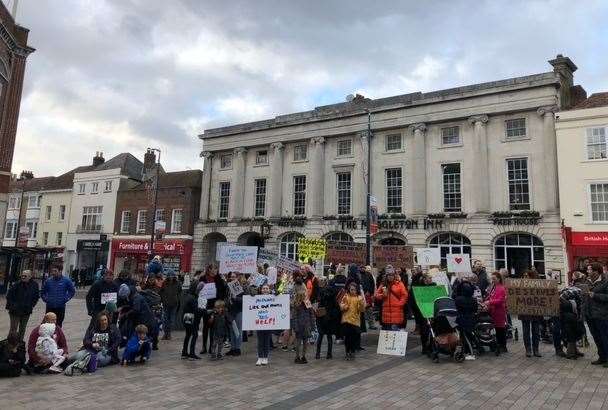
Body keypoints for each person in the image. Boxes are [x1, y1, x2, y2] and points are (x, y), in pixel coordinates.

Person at [585, 263, 608, 366]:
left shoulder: (605, 281)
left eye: (589, 270)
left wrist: (595, 295)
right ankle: (602, 357)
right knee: (596, 337)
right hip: (589, 314)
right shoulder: (587, 281)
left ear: (596, 271)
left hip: (602, 315)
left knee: (605, 337)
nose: (587, 272)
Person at [5, 270, 39, 341]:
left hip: (26, 311)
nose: (23, 277)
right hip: (15, 311)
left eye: (25, 276)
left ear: (30, 277)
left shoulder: (34, 285)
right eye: (22, 276)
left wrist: (31, 305)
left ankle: (20, 344)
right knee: (13, 329)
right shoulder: (16, 284)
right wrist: (13, 306)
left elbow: (36, 296)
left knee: (22, 328)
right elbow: (9, 296)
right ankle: (10, 344)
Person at [374, 266, 408, 331]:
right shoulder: (383, 284)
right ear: (386, 276)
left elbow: (404, 295)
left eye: (392, 275)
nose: (390, 277)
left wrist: (399, 304)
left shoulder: (399, 284)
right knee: (387, 337)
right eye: (389, 275)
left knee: (395, 336)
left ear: (394, 276)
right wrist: (382, 295)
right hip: (386, 315)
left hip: (396, 314)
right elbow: (376, 295)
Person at [292, 277, 316, 364]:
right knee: (298, 342)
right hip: (299, 325)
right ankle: (297, 356)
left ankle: (303, 356)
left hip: (306, 325)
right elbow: (294, 316)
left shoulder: (307, 303)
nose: (304, 296)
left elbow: (311, 315)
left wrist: (312, 325)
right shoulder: (296, 304)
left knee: (305, 342)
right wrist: (295, 326)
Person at [519, 270, 543, 357]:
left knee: (536, 331)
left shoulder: (538, 286)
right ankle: (528, 349)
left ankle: (536, 349)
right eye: (524, 276)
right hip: (524, 312)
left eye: (527, 276)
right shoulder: (520, 285)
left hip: (536, 312)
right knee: (526, 331)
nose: (525, 277)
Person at [339, 282, 366, 361]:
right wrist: (344, 306)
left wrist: (361, 304)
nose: (352, 291)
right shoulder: (345, 296)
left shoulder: (359, 298)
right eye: (351, 289)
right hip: (346, 320)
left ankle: (352, 351)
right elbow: (341, 305)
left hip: (355, 321)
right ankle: (347, 352)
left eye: (354, 290)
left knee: (354, 337)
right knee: (347, 338)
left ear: (356, 290)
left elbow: (362, 310)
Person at [315, 277, 340, 360]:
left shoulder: (321, 293)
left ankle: (317, 354)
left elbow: (319, 306)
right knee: (329, 337)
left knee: (320, 336)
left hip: (322, 317)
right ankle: (329, 354)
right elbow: (336, 308)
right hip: (330, 318)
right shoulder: (333, 295)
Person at [484, 271, 508, 353]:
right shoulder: (493, 287)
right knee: (497, 329)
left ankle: (503, 346)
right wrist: (486, 301)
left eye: (494, 279)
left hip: (499, 312)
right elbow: (490, 296)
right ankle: (499, 344)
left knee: (500, 330)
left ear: (498, 279)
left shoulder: (501, 288)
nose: (492, 280)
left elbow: (500, 300)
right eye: (492, 278)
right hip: (494, 311)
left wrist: (490, 302)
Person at [455, 280, 478, 357]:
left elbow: (456, 310)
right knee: (469, 334)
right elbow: (475, 310)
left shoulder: (458, 299)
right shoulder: (474, 300)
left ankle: (467, 349)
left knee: (463, 335)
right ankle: (470, 346)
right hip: (472, 320)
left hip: (462, 320)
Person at [141, 276, 163, 350]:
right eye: (150, 279)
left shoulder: (157, 288)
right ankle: (146, 342)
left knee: (156, 327)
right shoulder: (145, 287)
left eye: (153, 279)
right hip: (148, 309)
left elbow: (160, 297)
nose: (151, 281)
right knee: (147, 326)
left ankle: (154, 343)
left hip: (155, 309)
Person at [181, 281, 201, 360]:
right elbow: (196, 310)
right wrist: (205, 311)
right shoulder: (193, 298)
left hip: (186, 317)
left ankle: (184, 352)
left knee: (188, 335)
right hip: (192, 318)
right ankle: (192, 353)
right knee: (194, 335)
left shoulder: (188, 295)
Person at [160, 270, 181, 340]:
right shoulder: (164, 283)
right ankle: (166, 334)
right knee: (165, 319)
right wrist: (163, 299)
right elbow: (161, 292)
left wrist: (177, 298)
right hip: (166, 303)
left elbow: (179, 292)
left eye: (172, 276)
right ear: (167, 277)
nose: (171, 277)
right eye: (169, 276)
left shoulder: (178, 283)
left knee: (171, 320)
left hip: (174, 303)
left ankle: (168, 333)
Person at [226, 272, 244, 357]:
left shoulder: (241, 288)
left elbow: (244, 300)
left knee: (238, 330)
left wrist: (235, 298)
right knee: (232, 331)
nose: (232, 278)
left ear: (237, 278)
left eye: (234, 277)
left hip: (238, 311)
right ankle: (232, 348)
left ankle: (237, 348)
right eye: (231, 277)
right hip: (230, 312)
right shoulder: (228, 287)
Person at [256, 284, 273, 366]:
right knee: (260, 341)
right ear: (261, 290)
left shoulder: (273, 298)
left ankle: (265, 357)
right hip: (259, 323)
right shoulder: (256, 298)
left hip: (268, 323)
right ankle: (259, 357)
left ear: (269, 290)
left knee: (266, 341)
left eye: (267, 288)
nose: (265, 290)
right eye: (263, 288)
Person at [360, 266, 376, 330]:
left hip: (368, 295)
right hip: (360, 295)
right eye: (362, 268)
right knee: (361, 311)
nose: (363, 269)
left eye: (364, 267)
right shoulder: (358, 274)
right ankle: (361, 325)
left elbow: (372, 284)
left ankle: (371, 324)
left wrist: (371, 293)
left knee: (370, 310)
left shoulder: (369, 275)